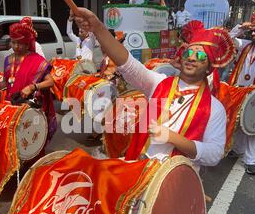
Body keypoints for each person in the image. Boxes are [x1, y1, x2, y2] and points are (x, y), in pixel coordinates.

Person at [72, 9, 236, 169]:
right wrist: (98, 27)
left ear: (209, 68)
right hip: (137, 167)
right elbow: (128, 64)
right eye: (188, 53)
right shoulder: (159, 84)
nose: (192, 58)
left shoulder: (215, 109)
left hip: (173, 182)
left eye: (200, 56)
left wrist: (172, 137)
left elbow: (214, 154)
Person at [0, 17, 57, 144]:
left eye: (19, 43)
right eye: (13, 42)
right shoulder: (7, 60)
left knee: (30, 141)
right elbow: (8, 82)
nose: (15, 46)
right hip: (13, 105)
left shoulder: (37, 60)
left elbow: (50, 82)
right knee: (14, 141)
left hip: (30, 107)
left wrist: (32, 87)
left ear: (27, 43)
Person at [227, 9, 255, 175]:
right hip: (239, 91)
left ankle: (250, 160)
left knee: (254, 125)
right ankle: (238, 148)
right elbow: (228, 39)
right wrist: (241, 27)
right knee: (237, 122)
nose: (253, 33)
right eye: (252, 30)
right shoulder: (245, 45)